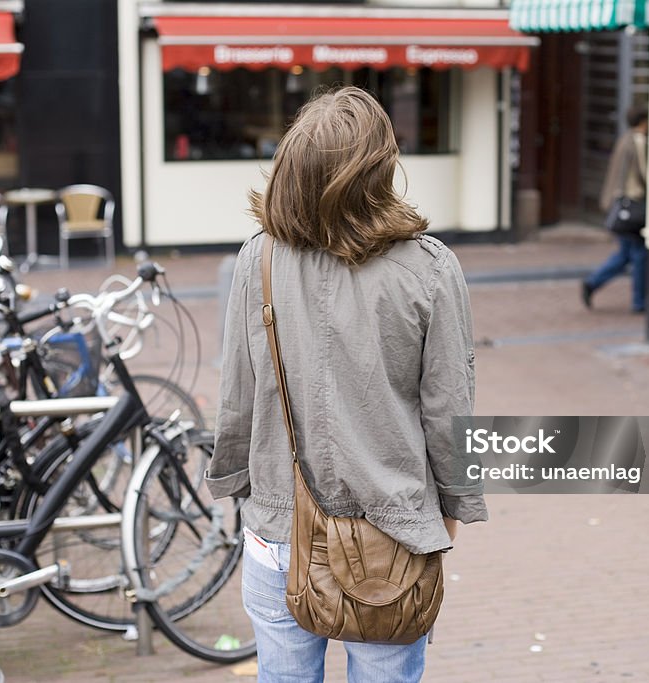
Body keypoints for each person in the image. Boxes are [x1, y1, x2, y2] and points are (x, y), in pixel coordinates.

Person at [207, 86, 488, 683]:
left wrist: (237, 484)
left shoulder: (258, 259)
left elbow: (236, 393)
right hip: (396, 529)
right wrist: (452, 508)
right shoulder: (430, 268)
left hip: (279, 526)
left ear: (293, 165)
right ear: (381, 169)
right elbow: (449, 408)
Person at [582, 105, 649, 313]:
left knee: (625, 254)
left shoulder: (624, 139)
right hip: (633, 208)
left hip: (622, 207)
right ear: (643, 121)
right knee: (639, 255)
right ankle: (639, 302)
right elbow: (645, 174)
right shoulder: (638, 141)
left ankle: (592, 283)